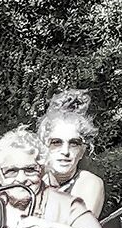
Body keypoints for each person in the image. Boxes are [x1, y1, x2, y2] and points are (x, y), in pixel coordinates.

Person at [38, 89, 105, 218]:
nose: (65, 151)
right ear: (44, 147)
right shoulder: (37, 181)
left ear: (82, 151)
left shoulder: (89, 183)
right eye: (56, 142)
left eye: (74, 143)